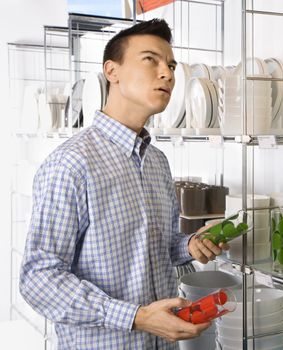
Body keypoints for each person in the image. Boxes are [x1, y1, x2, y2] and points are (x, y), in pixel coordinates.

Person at [19, 18, 228, 349]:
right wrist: (136, 317)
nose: (168, 74)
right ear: (111, 72)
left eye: (171, 65)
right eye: (151, 60)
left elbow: (150, 247)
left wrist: (186, 246)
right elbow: (39, 280)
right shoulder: (71, 163)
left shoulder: (157, 162)